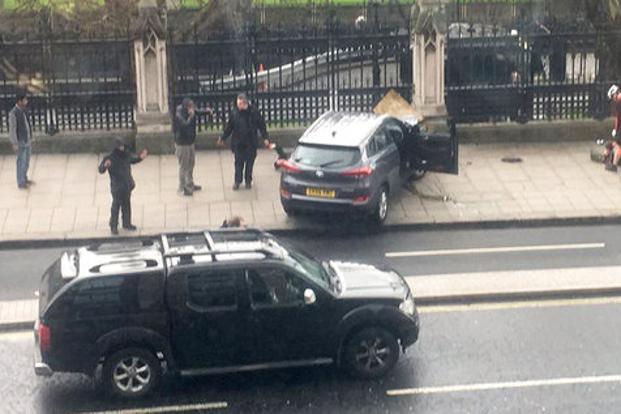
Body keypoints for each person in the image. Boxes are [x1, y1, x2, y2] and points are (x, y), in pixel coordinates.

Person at [217, 93, 271, 190]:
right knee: (238, 163)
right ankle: (237, 181)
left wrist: (265, 137)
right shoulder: (234, 113)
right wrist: (223, 138)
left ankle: (248, 180)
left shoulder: (254, 112)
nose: (238, 106)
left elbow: (261, 125)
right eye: (237, 104)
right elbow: (229, 127)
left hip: (251, 142)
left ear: (245, 103)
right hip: (238, 142)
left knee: (249, 163)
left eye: (240, 104)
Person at [98, 137, 148, 235]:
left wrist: (140, 158)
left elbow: (133, 160)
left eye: (122, 146)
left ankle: (127, 223)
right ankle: (113, 226)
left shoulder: (126, 154)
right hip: (117, 186)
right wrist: (105, 166)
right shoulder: (109, 158)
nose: (122, 148)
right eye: (120, 147)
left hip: (127, 184)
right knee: (116, 207)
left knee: (126, 205)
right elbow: (100, 170)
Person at [174, 98, 213, 196]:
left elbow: (198, 112)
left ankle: (189, 184)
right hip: (182, 144)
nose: (193, 109)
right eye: (191, 107)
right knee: (184, 166)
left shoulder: (190, 110)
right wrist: (191, 117)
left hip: (190, 142)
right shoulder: (179, 115)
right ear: (186, 107)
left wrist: (207, 112)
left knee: (191, 163)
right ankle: (182, 188)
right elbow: (184, 126)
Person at [8, 91, 34, 189]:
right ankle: (20, 182)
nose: (26, 101)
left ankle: (24, 177)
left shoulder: (24, 110)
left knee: (26, 160)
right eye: (24, 100)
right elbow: (12, 129)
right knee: (20, 161)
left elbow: (27, 124)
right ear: (19, 101)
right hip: (20, 141)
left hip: (27, 139)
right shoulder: (13, 113)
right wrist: (14, 143)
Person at [604, 85, 621, 172]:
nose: (613, 100)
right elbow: (617, 118)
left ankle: (614, 165)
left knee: (618, 146)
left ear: (615, 94)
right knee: (616, 143)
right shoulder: (618, 103)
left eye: (612, 97)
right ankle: (607, 157)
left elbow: (617, 118)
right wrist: (616, 129)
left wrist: (616, 129)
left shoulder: (619, 102)